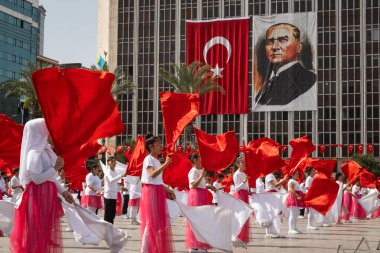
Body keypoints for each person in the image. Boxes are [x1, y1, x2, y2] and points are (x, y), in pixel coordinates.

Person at [10, 118, 74, 253]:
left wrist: (63, 192)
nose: (51, 133)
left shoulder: (45, 150)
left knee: (43, 233)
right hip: (36, 197)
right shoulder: (33, 153)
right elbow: (37, 179)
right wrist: (56, 167)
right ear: (38, 131)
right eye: (47, 129)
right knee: (35, 234)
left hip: (44, 197)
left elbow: (51, 177)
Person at [254, 23, 317, 106]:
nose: (274, 47)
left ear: (299, 47)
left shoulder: (307, 77)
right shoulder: (270, 80)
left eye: (282, 40)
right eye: (270, 42)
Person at [140, 133, 175, 252]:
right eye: (158, 144)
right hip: (150, 192)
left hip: (157, 191)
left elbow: (158, 180)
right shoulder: (148, 159)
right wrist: (166, 164)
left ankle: (151, 248)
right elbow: (153, 174)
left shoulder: (155, 160)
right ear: (151, 146)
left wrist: (168, 190)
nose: (161, 146)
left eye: (160, 144)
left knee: (157, 223)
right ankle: (144, 250)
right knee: (150, 223)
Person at [186, 154, 215, 252]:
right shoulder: (193, 171)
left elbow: (201, 185)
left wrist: (209, 187)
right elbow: (193, 185)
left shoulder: (198, 171)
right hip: (196, 196)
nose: (200, 160)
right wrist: (202, 175)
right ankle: (194, 245)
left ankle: (200, 244)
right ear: (194, 160)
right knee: (196, 220)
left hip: (201, 195)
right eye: (199, 158)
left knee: (201, 220)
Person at [103, 156, 127, 224]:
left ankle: (111, 228)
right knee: (108, 214)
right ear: (108, 163)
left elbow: (114, 184)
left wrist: (121, 188)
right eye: (112, 161)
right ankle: (106, 229)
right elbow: (111, 180)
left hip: (114, 195)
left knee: (112, 214)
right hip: (108, 195)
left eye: (114, 161)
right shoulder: (108, 171)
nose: (114, 163)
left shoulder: (115, 172)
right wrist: (121, 176)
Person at [233, 157, 251, 244]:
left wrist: (249, 190)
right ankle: (238, 236)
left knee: (245, 216)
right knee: (240, 216)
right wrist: (243, 182)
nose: (244, 164)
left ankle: (243, 237)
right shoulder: (236, 174)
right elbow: (236, 188)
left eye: (244, 162)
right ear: (237, 164)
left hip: (245, 194)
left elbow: (246, 185)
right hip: (240, 195)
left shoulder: (243, 173)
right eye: (242, 162)